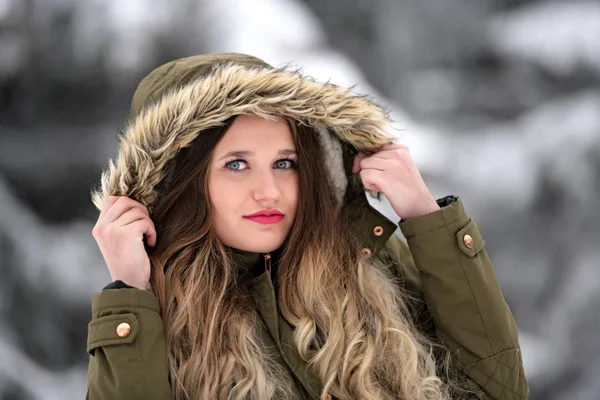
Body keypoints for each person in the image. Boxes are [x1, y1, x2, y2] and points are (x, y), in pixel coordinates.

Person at [87, 53, 528, 400]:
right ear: (179, 184)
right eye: (237, 164)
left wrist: (426, 219)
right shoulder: (154, 314)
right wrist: (129, 295)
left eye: (285, 163)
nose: (269, 191)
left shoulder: (368, 262)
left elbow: (500, 390)